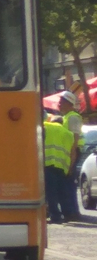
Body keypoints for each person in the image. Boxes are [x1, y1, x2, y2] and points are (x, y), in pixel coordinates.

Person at [43, 118, 75, 224]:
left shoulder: (46, 126)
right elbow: (72, 152)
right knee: (62, 192)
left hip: (48, 164)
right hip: (62, 166)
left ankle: (55, 216)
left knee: (50, 192)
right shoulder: (69, 134)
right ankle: (67, 213)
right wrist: (70, 168)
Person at [58, 91, 84, 221]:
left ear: (69, 103)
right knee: (66, 183)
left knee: (69, 183)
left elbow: (74, 139)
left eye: (61, 102)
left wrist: (72, 160)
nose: (59, 104)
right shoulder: (67, 116)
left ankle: (72, 212)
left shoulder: (72, 117)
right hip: (68, 153)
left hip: (72, 152)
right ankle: (70, 211)